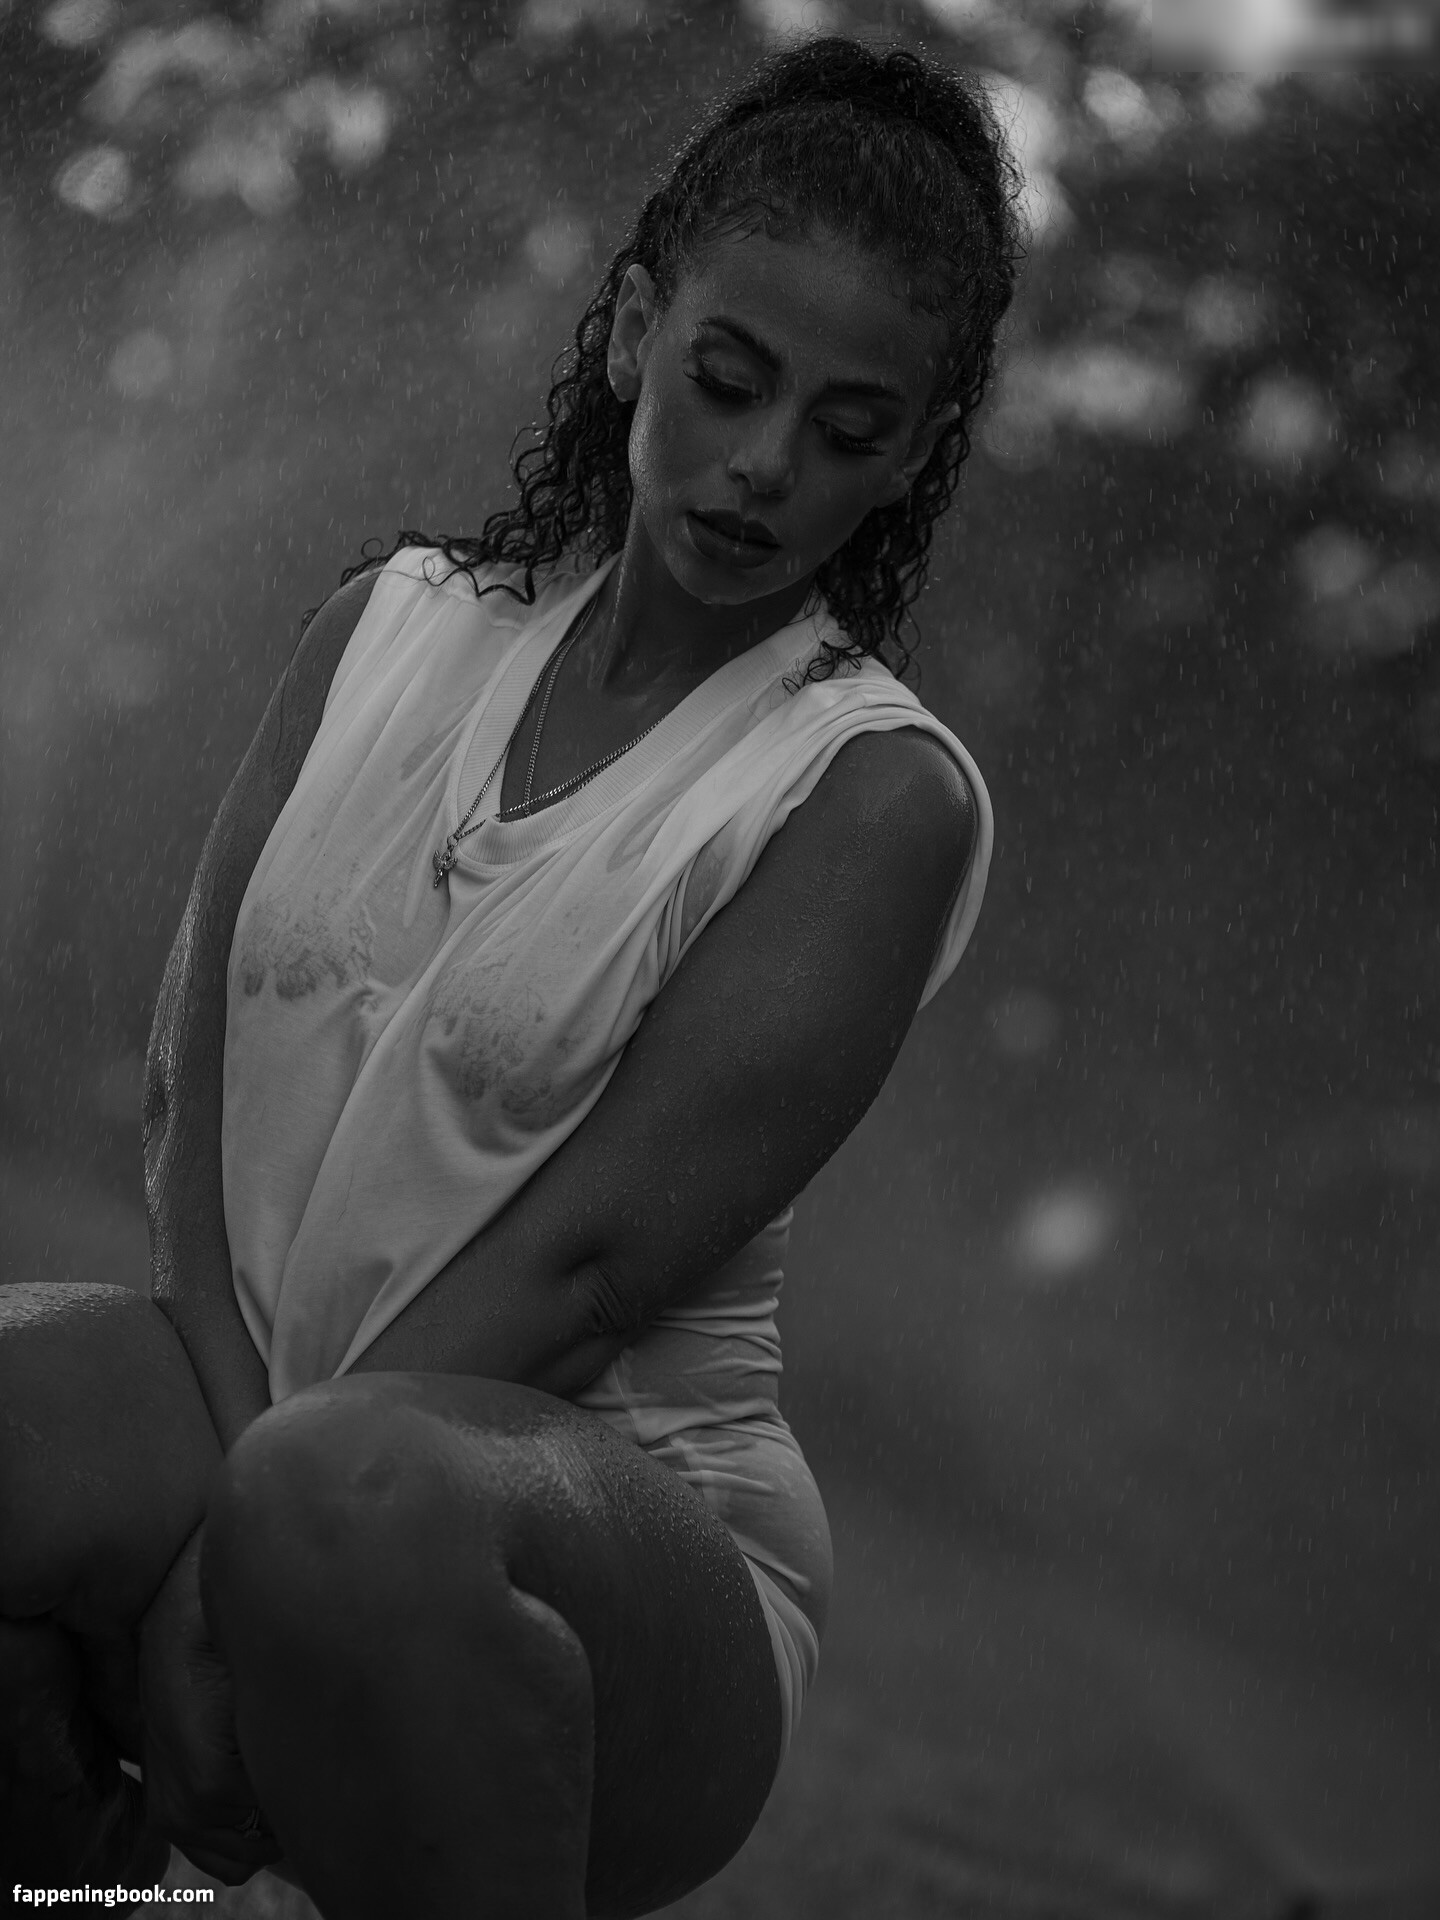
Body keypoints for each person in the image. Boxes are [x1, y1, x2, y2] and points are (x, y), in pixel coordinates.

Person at [0, 34, 1018, 1918]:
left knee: (347, 1493)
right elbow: (187, 1078)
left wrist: (235, 1556)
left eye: (848, 428)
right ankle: (106, 1890)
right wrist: (234, 1448)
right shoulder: (380, 628)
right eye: (730, 380)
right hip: (259, 1403)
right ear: (634, 334)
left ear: (907, 456)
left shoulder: (871, 795)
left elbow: (590, 1271)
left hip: (594, 1521)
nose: (767, 462)